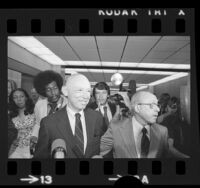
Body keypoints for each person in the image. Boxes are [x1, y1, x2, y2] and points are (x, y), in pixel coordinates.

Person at [34, 74, 105, 158]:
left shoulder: (97, 117)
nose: (86, 96)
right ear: (65, 91)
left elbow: (106, 147)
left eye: (88, 91)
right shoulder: (48, 123)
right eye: (79, 90)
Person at [100, 91, 170, 158]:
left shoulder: (162, 131)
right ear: (137, 108)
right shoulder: (115, 129)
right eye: (152, 105)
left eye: (158, 105)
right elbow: (100, 152)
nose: (158, 109)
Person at [31, 70, 68, 144]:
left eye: (55, 88)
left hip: (64, 143)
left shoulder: (69, 104)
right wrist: (34, 136)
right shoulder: (39, 105)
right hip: (45, 142)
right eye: (48, 90)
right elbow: (38, 123)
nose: (53, 93)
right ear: (43, 91)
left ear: (59, 87)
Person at [8, 88, 37, 158]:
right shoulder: (11, 115)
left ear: (26, 98)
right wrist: (12, 140)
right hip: (17, 149)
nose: (19, 99)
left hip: (33, 149)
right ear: (12, 100)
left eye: (21, 96)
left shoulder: (35, 110)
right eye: (15, 97)